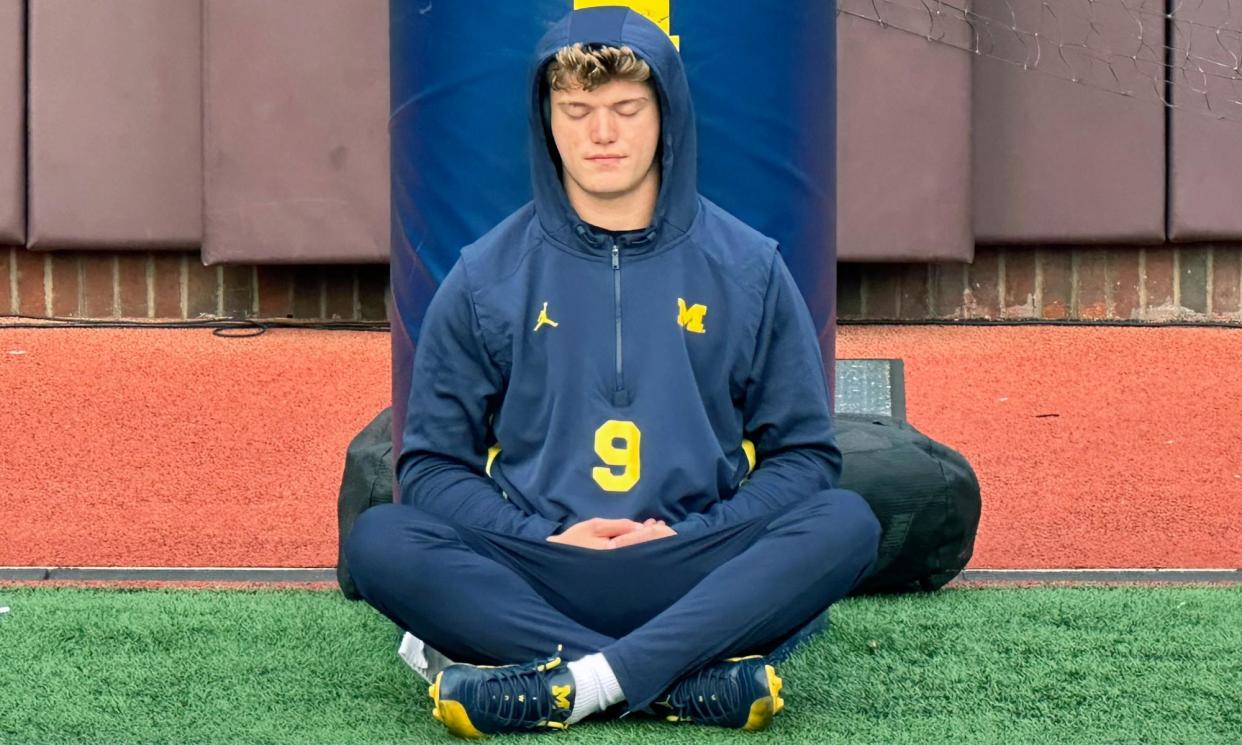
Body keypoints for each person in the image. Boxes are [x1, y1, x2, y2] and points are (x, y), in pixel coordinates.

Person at [347, 6, 880, 738]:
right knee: (379, 541)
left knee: (846, 523)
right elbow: (434, 465)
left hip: (690, 557)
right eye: (577, 111)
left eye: (627, 108)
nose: (602, 134)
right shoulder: (486, 276)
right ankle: (675, 681)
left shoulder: (747, 266)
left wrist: (700, 530)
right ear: (547, 121)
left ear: (668, 115)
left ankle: (568, 681)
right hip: (544, 561)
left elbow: (806, 458)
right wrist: (536, 533)